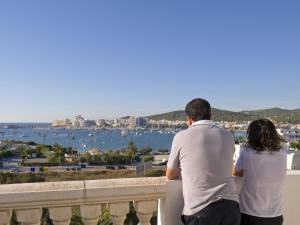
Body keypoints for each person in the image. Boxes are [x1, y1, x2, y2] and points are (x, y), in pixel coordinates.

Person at [166, 98, 240, 225]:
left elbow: (170, 174)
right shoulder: (228, 136)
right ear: (210, 115)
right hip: (231, 208)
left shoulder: (181, 136)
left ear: (189, 119)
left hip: (201, 210)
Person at [233, 119, 287, 225]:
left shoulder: (248, 153)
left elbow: (236, 172)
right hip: (276, 215)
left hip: (250, 214)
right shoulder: (283, 153)